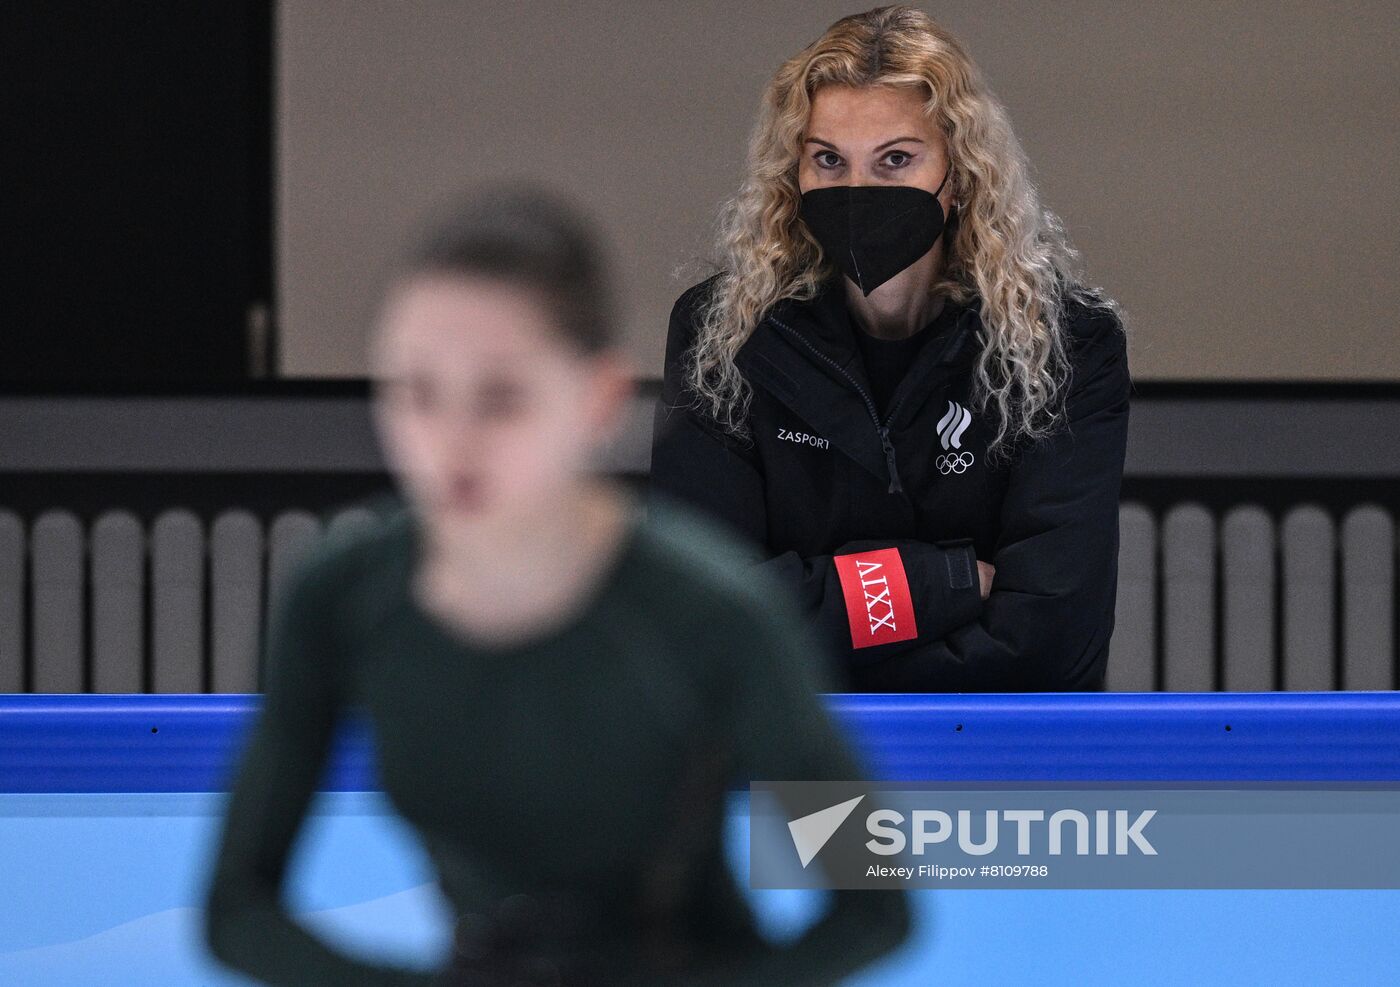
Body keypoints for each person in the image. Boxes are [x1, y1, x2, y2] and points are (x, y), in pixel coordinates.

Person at [202, 186, 909, 985]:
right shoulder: (340, 595)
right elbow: (237, 907)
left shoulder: (718, 615)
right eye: (416, 391)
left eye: (501, 398)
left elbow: (877, 906)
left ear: (599, 400)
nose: (450, 443)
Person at [650, 4, 1132, 693]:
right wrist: (947, 581)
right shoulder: (722, 335)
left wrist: (815, 627)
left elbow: (1050, 642)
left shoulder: (1067, 344)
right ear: (794, 174)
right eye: (828, 160)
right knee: (821, 806)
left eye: (896, 160)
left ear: (959, 172)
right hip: (807, 765)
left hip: (998, 773)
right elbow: (699, 617)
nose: (858, 191)